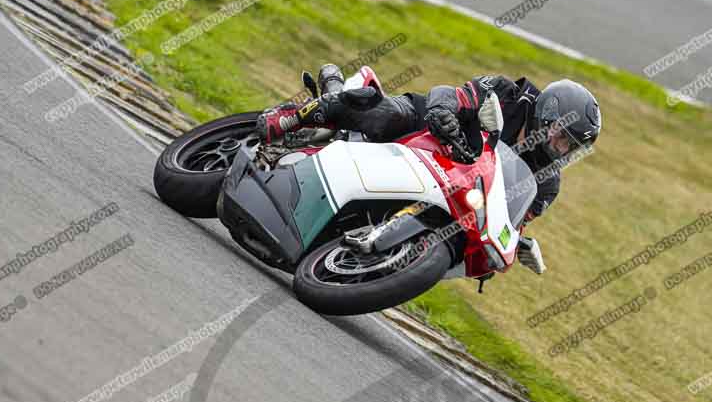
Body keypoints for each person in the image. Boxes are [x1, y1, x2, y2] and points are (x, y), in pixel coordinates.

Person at [256, 64, 602, 269]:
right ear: (548, 114)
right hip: (425, 131)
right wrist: (443, 112)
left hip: (454, 188)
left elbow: (515, 219)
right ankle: (290, 118)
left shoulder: (546, 184)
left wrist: (517, 243)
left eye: (571, 145)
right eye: (562, 136)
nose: (561, 148)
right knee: (384, 116)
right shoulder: (508, 94)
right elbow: (451, 93)